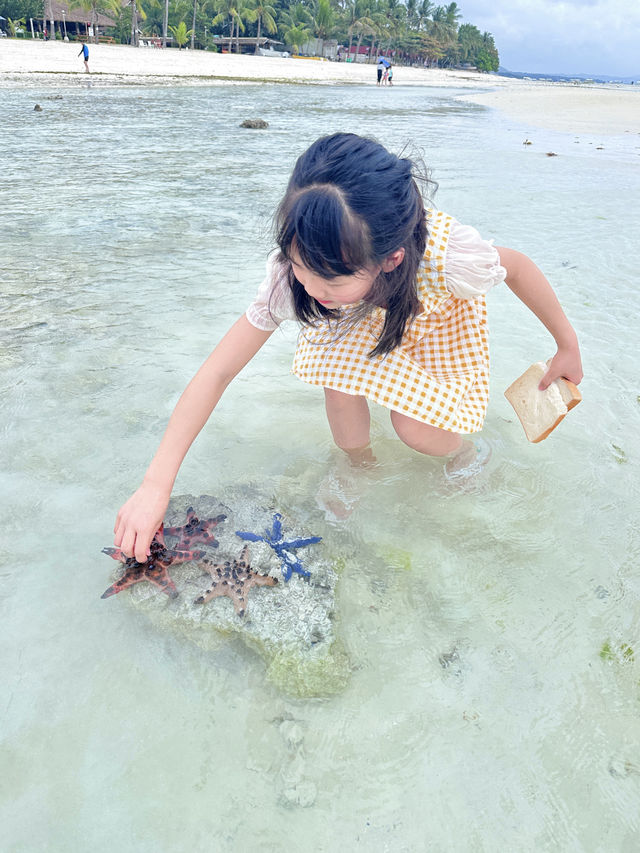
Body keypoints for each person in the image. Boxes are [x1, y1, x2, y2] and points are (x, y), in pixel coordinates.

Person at [113, 132, 583, 561]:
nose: (311, 286)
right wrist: (155, 484)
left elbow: (518, 267)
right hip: (358, 321)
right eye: (299, 264)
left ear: (389, 259)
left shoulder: (449, 259)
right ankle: (358, 464)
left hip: (430, 323)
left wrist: (566, 342)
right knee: (336, 379)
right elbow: (217, 371)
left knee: (415, 429)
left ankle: (465, 454)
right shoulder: (298, 275)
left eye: (330, 277)